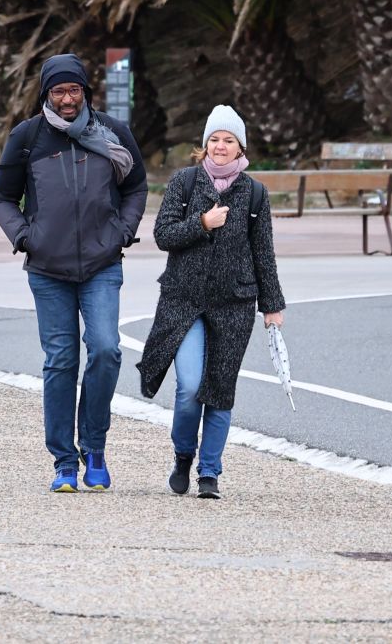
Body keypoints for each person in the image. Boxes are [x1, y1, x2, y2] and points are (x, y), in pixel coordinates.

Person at [0, 54, 148, 493]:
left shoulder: (113, 134)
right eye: (57, 91)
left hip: (102, 263)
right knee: (60, 361)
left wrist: (123, 231)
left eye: (73, 90)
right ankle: (63, 461)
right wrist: (25, 236)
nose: (66, 99)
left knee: (106, 349)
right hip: (48, 268)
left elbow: (135, 187)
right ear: (46, 94)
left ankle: (93, 447)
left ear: (85, 92)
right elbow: (1, 197)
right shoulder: (27, 137)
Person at [136, 106, 287, 501]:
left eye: (228, 140)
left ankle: (209, 472)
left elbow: (263, 251)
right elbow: (163, 234)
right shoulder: (184, 183)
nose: (220, 147)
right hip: (184, 301)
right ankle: (184, 455)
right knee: (188, 388)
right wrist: (201, 224)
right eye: (214, 140)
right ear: (204, 146)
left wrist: (272, 303)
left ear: (240, 147)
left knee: (220, 389)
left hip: (233, 303)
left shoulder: (254, 193)